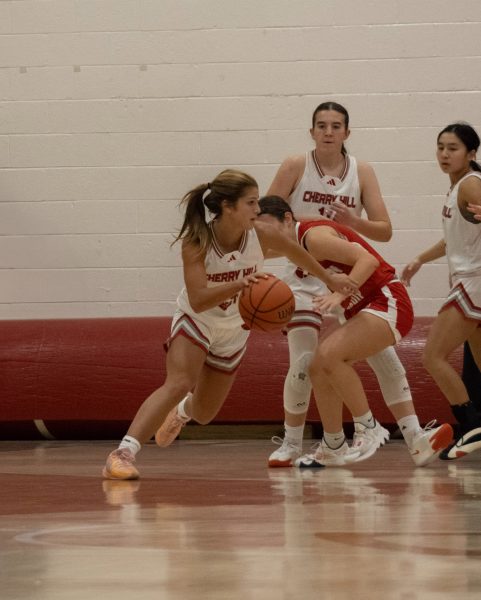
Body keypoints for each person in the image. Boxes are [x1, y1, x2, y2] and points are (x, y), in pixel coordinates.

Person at [102, 169, 357, 480]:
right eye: (251, 203)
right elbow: (198, 299)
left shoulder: (262, 234)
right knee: (179, 381)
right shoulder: (197, 242)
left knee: (205, 414)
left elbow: (299, 254)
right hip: (197, 320)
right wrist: (240, 285)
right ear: (228, 207)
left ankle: (182, 412)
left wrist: (331, 279)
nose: (258, 209)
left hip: (235, 328)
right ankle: (123, 453)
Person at [266, 101, 448, 468]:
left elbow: (383, 232)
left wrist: (351, 223)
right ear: (312, 131)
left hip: (355, 281)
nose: (329, 132)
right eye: (321, 125)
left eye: (336, 126)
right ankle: (295, 442)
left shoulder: (361, 172)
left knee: (381, 358)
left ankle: (409, 436)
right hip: (307, 277)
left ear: (347, 132)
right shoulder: (294, 166)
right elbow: (268, 218)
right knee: (307, 362)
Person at [258, 196, 453, 467]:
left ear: (287, 219)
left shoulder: (313, 236)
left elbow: (368, 261)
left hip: (385, 299)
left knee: (329, 356)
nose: (263, 235)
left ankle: (368, 426)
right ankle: (334, 445)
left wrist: (338, 294)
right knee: (317, 367)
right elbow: (256, 252)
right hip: (361, 308)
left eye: (265, 227)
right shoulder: (293, 244)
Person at [401, 122, 481, 460]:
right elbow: (454, 239)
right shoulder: (457, 187)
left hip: (474, 281)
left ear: (471, 153)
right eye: (441, 148)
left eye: (453, 148)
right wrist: (421, 257)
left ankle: (472, 424)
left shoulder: (471, 185)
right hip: (468, 278)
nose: (445, 154)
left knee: (431, 356)